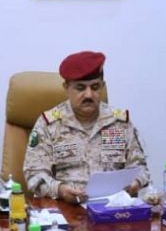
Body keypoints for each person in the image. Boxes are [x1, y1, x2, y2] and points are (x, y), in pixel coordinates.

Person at [23, 51, 150, 203]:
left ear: (102, 86)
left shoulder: (120, 122)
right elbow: (34, 174)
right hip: (66, 208)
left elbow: (140, 168)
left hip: (113, 208)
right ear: (66, 87)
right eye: (80, 88)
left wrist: (135, 183)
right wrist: (59, 190)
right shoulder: (49, 125)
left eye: (95, 87)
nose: (89, 95)